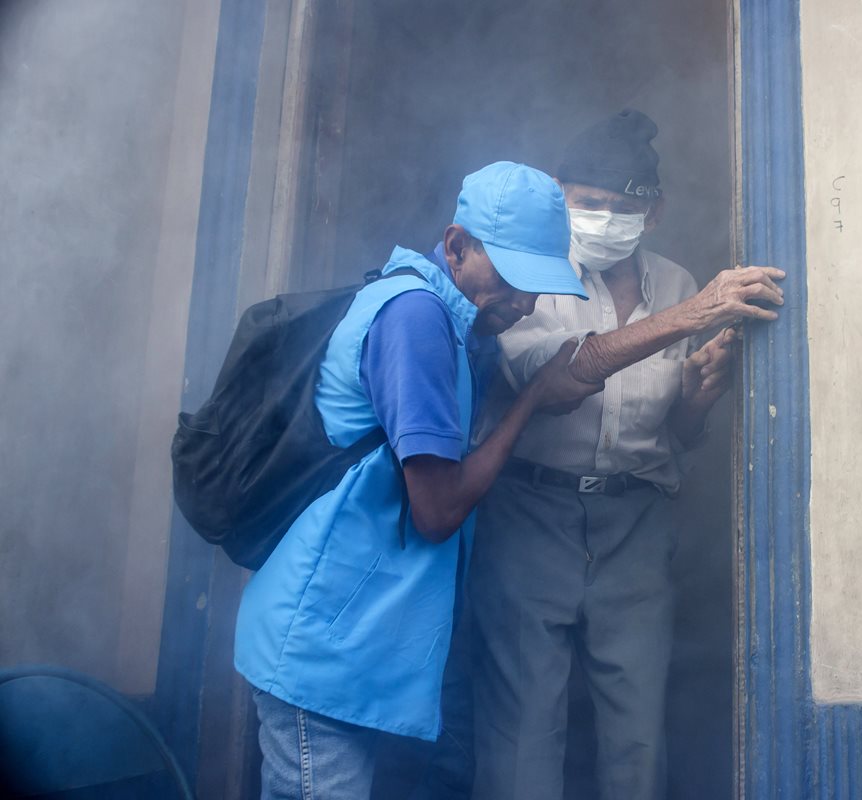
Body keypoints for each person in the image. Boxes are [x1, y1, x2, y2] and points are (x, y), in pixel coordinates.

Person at [233, 161, 604, 800]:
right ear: (456, 246)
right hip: (326, 648)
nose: (527, 302)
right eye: (512, 276)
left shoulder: (456, 324)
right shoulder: (416, 318)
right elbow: (436, 510)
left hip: (371, 649)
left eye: (538, 283)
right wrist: (531, 402)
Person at [469, 110, 786, 800]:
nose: (607, 218)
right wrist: (693, 317)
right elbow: (550, 381)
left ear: (655, 212)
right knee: (523, 725)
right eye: (590, 203)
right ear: (561, 196)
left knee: (637, 729)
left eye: (625, 207)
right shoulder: (531, 278)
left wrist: (698, 397)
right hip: (530, 514)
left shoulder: (676, 284)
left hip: (635, 525)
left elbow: (671, 434)